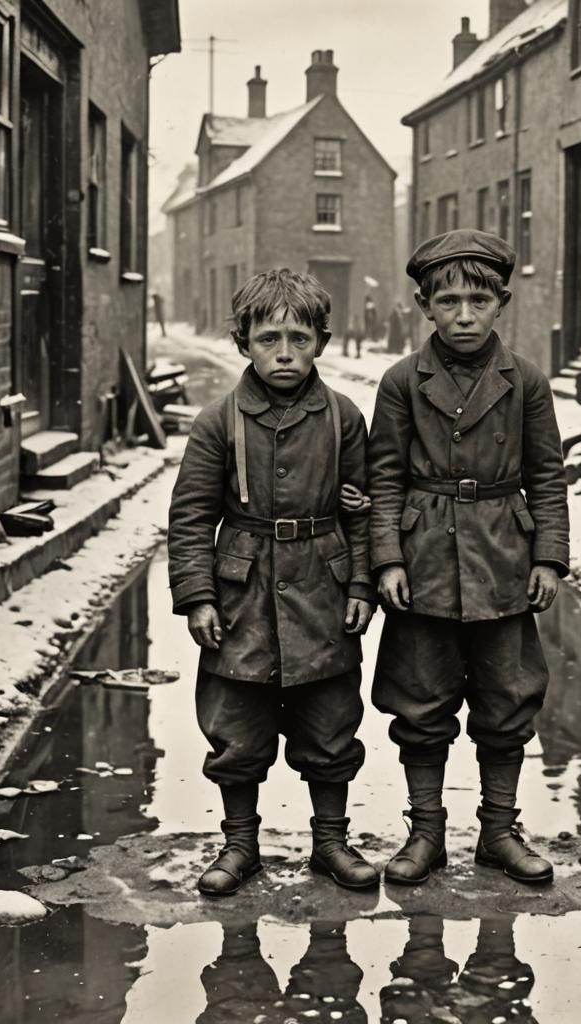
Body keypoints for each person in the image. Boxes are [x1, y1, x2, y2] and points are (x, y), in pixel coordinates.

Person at [367, 228, 569, 887]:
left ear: (501, 303)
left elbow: (547, 477)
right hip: (423, 557)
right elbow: (384, 478)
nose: (463, 315)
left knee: (507, 699)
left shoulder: (526, 382)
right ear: (424, 305)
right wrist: (388, 560)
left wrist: (548, 559)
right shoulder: (402, 382)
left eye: (478, 302)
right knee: (420, 701)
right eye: (447, 301)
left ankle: (498, 831)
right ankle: (426, 833)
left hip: (503, 557)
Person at [168, 268, 377, 897]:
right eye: (268, 339)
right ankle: (239, 844)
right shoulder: (217, 421)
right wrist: (198, 596)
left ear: (321, 342)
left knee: (331, 721)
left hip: (323, 587)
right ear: (243, 342)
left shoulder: (342, 418)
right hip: (243, 593)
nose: (284, 353)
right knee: (235, 724)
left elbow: (364, 511)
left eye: (299, 339)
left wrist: (361, 586)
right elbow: (191, 517)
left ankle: (331, 841)